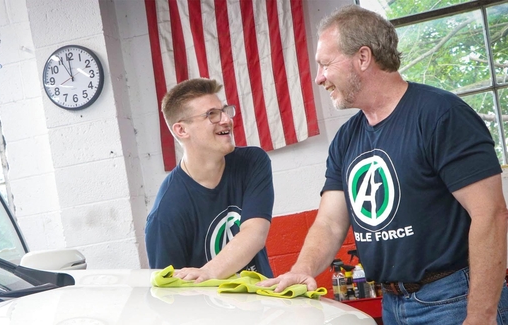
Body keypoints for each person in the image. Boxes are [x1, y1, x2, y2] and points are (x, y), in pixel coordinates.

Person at [257, 5, 508, 324]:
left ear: (363, 58)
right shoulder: (347, 138)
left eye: (325, 64)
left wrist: (481, 316)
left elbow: (491, 214)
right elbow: (330, 223)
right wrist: (302, 269)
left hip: (453, 300)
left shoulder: (441, 115)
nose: (320, 78)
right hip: (392, 304)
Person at [145, 78, 274, 282]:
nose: (226, 120)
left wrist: (209, 272)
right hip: (209, 313)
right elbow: (171, 297)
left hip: (263, 307)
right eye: (212, 114)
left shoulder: (252, 162)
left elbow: (255, 234)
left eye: (224, 110)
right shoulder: (166, 213)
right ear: (182, 130)